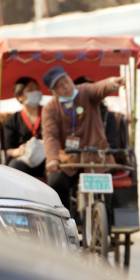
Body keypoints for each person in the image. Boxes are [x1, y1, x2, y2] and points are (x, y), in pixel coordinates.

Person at [42, 65, 125, 212]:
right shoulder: (50, 108)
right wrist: (52, 158)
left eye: (66, 81)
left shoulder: (84, 91)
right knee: (55, 182)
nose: (66, 86)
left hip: (97, 158)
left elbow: (99, 88)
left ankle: (105, 228)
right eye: (60, 86)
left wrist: (112, 83)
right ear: (53, 91)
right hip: (69, 161)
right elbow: (50, 135)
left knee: (105, 193)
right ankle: (66, 223)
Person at [3, 77, 45, 177]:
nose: (35, 92)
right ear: (19, 96)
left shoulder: (49, 113)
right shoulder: (12, 120)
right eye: (30, 89)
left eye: (37, 88)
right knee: (15, 167)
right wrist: (18, 151)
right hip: (23, 160)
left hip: (45, 158)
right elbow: (8, 150)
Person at [73, 76, 121, 149]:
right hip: (73, 159)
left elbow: (113, 146)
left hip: (100, 158)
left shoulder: (107, 117)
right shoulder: (69, 115)